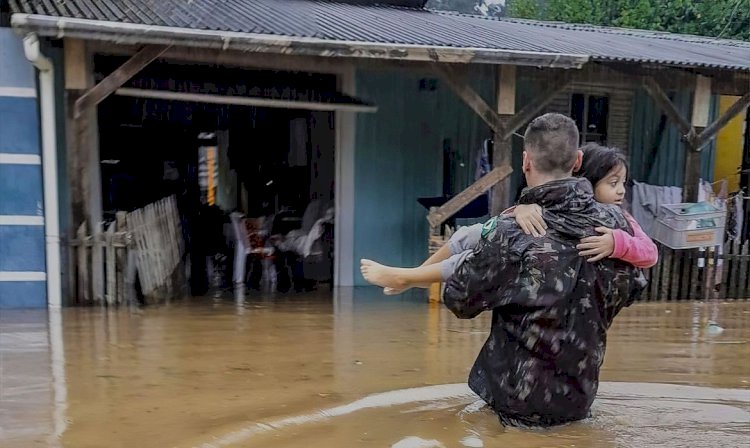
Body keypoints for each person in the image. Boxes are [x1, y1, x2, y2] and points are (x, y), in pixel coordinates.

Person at [360, 144, 657, 293]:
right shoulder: (552, 202)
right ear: (584, 177)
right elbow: (508, 225)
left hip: (554, 277)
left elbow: (650, 253)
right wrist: (521, 209)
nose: (620, 191)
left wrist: (617, 243)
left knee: (476, 259)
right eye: (612, 183)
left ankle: (409, 278)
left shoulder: (619, 220)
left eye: (622, 184)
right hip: (543, 268)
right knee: (469, 234)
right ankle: (416, 277)